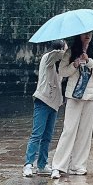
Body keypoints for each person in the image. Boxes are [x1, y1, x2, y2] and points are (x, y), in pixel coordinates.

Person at [49, 31, 93, 180]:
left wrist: (89, 61)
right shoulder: (70, 52)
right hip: (74, 96)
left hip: (90, 96)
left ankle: (78, 165)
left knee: (85, 132)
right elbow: (62, 71)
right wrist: (75, 64)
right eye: (84, 34)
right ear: (79, 36)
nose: (87, 36)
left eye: (89, 33)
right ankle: (58, 166)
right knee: (69, 130)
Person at [24, 42, 64, 177]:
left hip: (54, 103)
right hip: (43, 100)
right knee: (37, 134)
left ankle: (42, 164)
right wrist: (70, 51)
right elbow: (56, 55)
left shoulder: (60, 65)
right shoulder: (47, 58)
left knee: (47, 136)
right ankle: (28, 164)